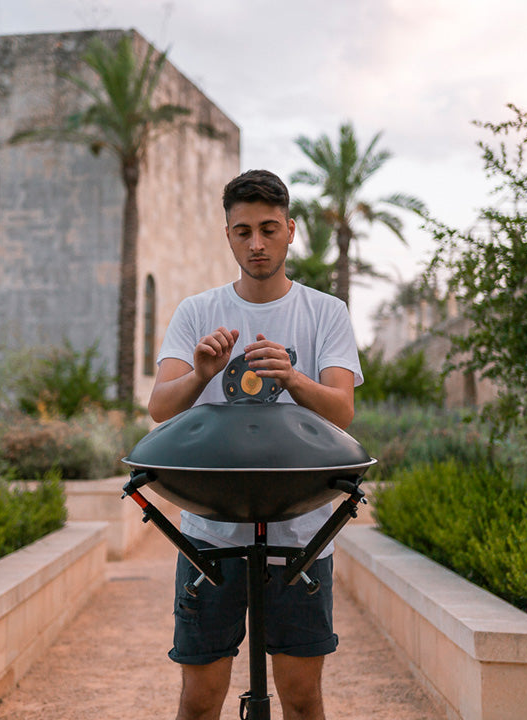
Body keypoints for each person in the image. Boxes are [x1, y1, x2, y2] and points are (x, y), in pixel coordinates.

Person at [148, 169, 362, 720]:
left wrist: (292, 378)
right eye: (243, 231)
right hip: (209, 533)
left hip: (302, 534)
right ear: (228, 236)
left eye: (269, 229)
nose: (257, 243)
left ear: (292, 231)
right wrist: (199, 374)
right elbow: (160, 409)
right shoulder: (197, 310)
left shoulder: (326, 312)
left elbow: (342, 411)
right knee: (198, 700)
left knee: (302, 698)